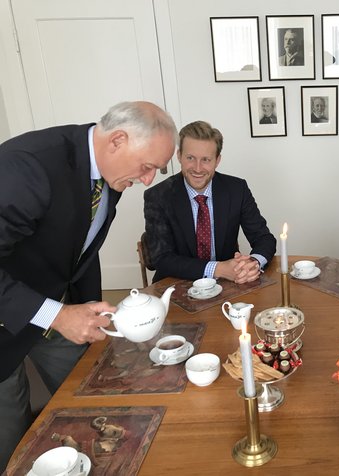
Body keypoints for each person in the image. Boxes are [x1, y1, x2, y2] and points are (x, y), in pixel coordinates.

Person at [0, 101, 177, 471]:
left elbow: (79, 249)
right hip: (9, 317)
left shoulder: (108, 175)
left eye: (156, 171)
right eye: (147, 168)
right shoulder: (27, 167)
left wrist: (90, 306)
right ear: (117, 141)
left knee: (95, 401)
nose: (148, 180)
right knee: (12, 437)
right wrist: (56, 314)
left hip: (55, 311)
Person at [143, 121, 276, 284]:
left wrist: (253, 263)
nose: (198, 168)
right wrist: (218, 269)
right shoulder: (158, 195)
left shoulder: (237, 189)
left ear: (217, 160)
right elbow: (162, 259)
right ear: (179, 156)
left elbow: (264, 238)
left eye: (206, 159)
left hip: (227, 284)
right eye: (190, 158)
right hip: (176, 283)